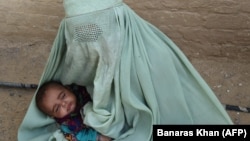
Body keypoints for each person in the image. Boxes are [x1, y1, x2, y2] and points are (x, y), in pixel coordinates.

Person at [18, 0, 233, 141]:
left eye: (93, 31)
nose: (87, 42)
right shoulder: (76, 62)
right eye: (80, 34)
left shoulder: (155, 59)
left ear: (119, 21)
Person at [35, 81, 112, 141]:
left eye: (62, 96)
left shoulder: (81, 89)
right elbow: (79, 136)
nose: (63, 103)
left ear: (67, 88)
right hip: (97, 130)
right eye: (57, 108)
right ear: (53, 116)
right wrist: (97, 137)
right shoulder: (67, 124)